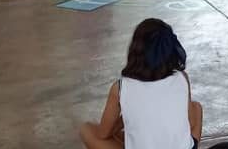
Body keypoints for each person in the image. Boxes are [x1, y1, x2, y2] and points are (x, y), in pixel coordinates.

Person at [79, 18, 203, 149]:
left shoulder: (120, 88)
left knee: (86, 130)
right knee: (196, 107)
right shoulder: (182, 77)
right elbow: (190, 122)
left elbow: (103, 133)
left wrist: (122, 121)